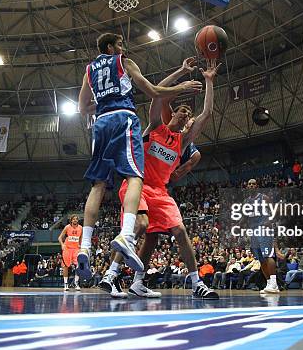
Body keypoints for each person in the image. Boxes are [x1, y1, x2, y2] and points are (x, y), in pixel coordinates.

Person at [77, 33, 202, 280]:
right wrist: (183, 85)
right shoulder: (124, 61)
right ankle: (126, 234)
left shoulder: (89, 70)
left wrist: (105, 102)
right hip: (123, 118)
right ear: (111, 47)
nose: (124, 47)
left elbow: (82, 108)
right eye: (120, 44)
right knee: (135, 176)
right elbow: (154, 90)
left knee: (98, 185)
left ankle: (85, 245)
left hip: (101, 122)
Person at [100, 59, 220, 299]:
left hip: (161, 192)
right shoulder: (156, 126)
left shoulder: (182, 142)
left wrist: (208, 81)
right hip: (138, 185)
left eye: (188, 116)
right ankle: (110, 275)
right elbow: (156, 94)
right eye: (182, 111)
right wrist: (181, 73)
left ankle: (193, 283)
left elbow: (207, 113)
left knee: (177, 231)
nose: (186, 116)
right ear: (173, 113)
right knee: (141, 225)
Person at [58, 214, 82, 291]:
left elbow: (81, 238)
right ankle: (66, 284)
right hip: (67, 248)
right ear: (71, 220)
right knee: (65, 266)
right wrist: (62, 245)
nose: (75, 220)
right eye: (74, 219)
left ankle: (76, 283)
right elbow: (60, 237)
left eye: (76, 219)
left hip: (76, 249)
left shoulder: (81, 228)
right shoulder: (67, 227)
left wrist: (80, 246)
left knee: (78, 265)